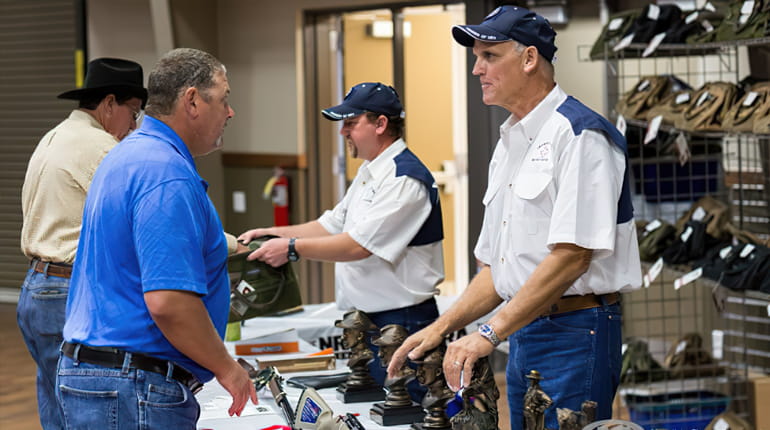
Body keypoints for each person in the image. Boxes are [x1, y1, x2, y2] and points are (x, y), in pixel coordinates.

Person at [389, 5, 642, 429]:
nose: (477, 69)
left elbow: (572, 256)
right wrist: (442, 327)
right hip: (523, 328)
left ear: (529, 59)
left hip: (576, 331)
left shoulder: (580, 135)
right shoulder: (510, 141)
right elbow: (499, 268)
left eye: (489, 55)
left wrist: (489, 333)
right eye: (476, 57)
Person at [57, 48, 256, 429]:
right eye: (225, 99)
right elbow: (169, 302)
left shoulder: (128, 154)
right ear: (193, 101)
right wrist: (227, 369)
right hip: (133, 384)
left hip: (107, 376)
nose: (230, 112)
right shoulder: (164, 172)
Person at [239, 82, 445, 391]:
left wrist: (291, 249)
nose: (342, 132)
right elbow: (332, 225)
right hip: (370, 318)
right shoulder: (371, 170)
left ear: (381, 124)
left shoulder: (404, 178)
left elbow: (358, 246)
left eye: (350, 123)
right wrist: (273, 233)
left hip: (402, 320)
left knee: (408, 412)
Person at [18, 57, 147, 430]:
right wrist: (234, 244)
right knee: (91, 408)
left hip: (37, 287)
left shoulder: (55, 136)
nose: (133, 126)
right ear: (109, 104)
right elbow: (146, 216)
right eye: (133, 112)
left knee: (57, 406)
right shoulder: (99, 147)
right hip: (69, 289)